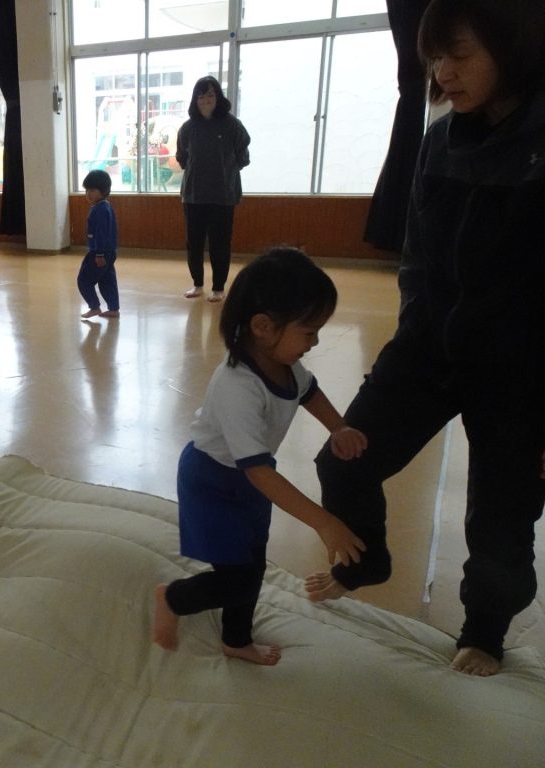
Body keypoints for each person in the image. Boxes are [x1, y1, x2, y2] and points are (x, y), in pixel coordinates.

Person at [306, 0, 545, 678]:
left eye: (459, 55)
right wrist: (417, 325)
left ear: (511, 48)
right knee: (343, 461)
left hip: (518, 369)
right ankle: (370, 559)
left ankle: (484, 633)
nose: (443, 73)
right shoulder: (440, 140)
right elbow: (415, 254)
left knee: (500, 516)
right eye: (434, 57)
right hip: (428, 349)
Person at [153, 248, 367, 665]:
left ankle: (236, 640)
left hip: (250, 479)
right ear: (264, 327)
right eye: (309, 331)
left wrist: (339, 427)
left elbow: (308, 392)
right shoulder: (237, 385)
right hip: (213, 482)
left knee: (252, 567)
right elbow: (258, 472)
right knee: (235, 577)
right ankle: (173, 598)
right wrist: (322, 521)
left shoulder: (285, 364)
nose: (315, 342)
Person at [176, 76, 250, 302]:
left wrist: (225, 172)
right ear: (195, 99)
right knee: (194, 243)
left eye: (210, 95)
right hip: (194, 195)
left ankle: (219, 288)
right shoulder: (188, 128)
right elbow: (182, 158)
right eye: (201, 96)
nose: (205, 100)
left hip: (223, 196)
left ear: (218, 97)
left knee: (220, 243)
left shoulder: (232, 125)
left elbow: (243, 156)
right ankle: (197, 284)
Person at [77, 169, 120, 319]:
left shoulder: (101, 209)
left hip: (100, 252)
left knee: (84, 280)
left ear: (104, 191)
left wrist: (99, 254)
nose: (88, 194)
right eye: (87, 190)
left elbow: (101, 234)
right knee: (107, 280)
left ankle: (94, 307)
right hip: (108, 252)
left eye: (93, 190)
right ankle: (113, 309)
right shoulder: (103, 206)